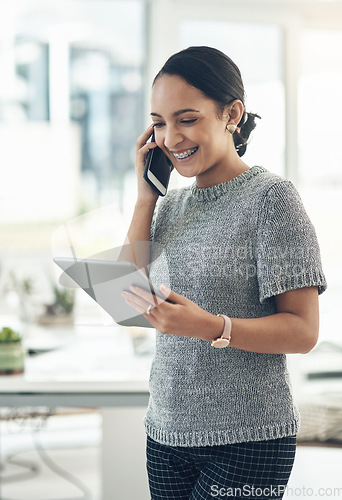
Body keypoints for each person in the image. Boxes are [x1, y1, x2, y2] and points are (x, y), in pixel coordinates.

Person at [120, 46, 327, 500]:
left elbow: (304, 331)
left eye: (187, 118)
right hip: (166, 432)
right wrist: (145, 198)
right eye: (159, 123)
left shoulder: (272, 200)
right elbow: (130, 292)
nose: (171, 138)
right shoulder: (169, 205)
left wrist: (212, 327)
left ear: (231, 113)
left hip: (248, 438)